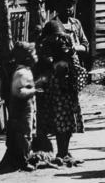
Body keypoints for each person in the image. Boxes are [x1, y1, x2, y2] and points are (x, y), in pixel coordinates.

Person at [35, 19, 86, 164]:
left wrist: (70, 55)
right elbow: (44, 68)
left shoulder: (67, 44)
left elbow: (76, 63)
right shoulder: (44, 48)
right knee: (60, 121)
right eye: (54, 36)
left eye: (59, 35)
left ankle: (65, 151)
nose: (57, 38)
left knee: (69, 121)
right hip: (55, 89)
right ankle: (61, 151)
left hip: (69, 88)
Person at [2, 41, 38, 171]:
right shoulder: (21, 73)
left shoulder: (25, 71)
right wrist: (34, 91)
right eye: (34, 54)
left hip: (26, 107)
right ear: (27, 58)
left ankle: (24, 157)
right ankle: (23, 160)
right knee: (23, 134)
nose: (36, 56)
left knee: (27, 132)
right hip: (21, 108)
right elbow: (18, 91)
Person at [53, 0, 90, 68]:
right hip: (60, 67)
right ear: (58, 6)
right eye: (64, 5)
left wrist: (75, 48)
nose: (67, 9)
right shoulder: (52, 25)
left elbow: (85, 45)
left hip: (77, 65)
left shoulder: (76, 23)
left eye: (70, 6)